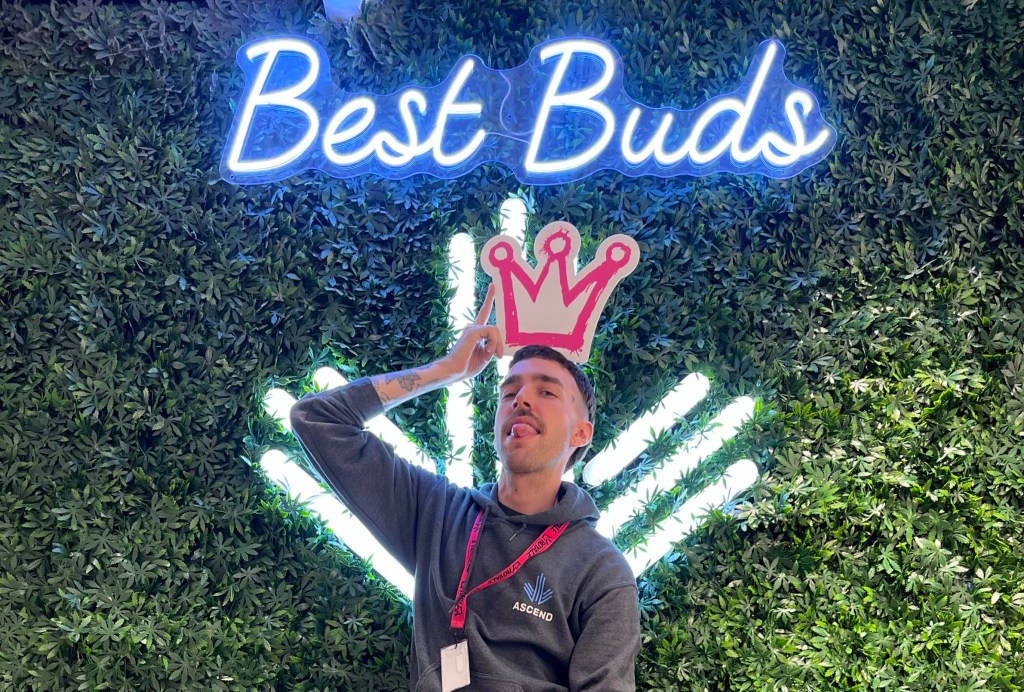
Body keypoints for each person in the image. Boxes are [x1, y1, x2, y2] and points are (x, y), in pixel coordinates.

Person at [290, 285, 640, 691]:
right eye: (509, 392)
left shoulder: (601, 569)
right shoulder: (437, 513)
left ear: (581, 433)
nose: (521, 399)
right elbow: (317, 420)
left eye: (546, 391)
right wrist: (445, 371)